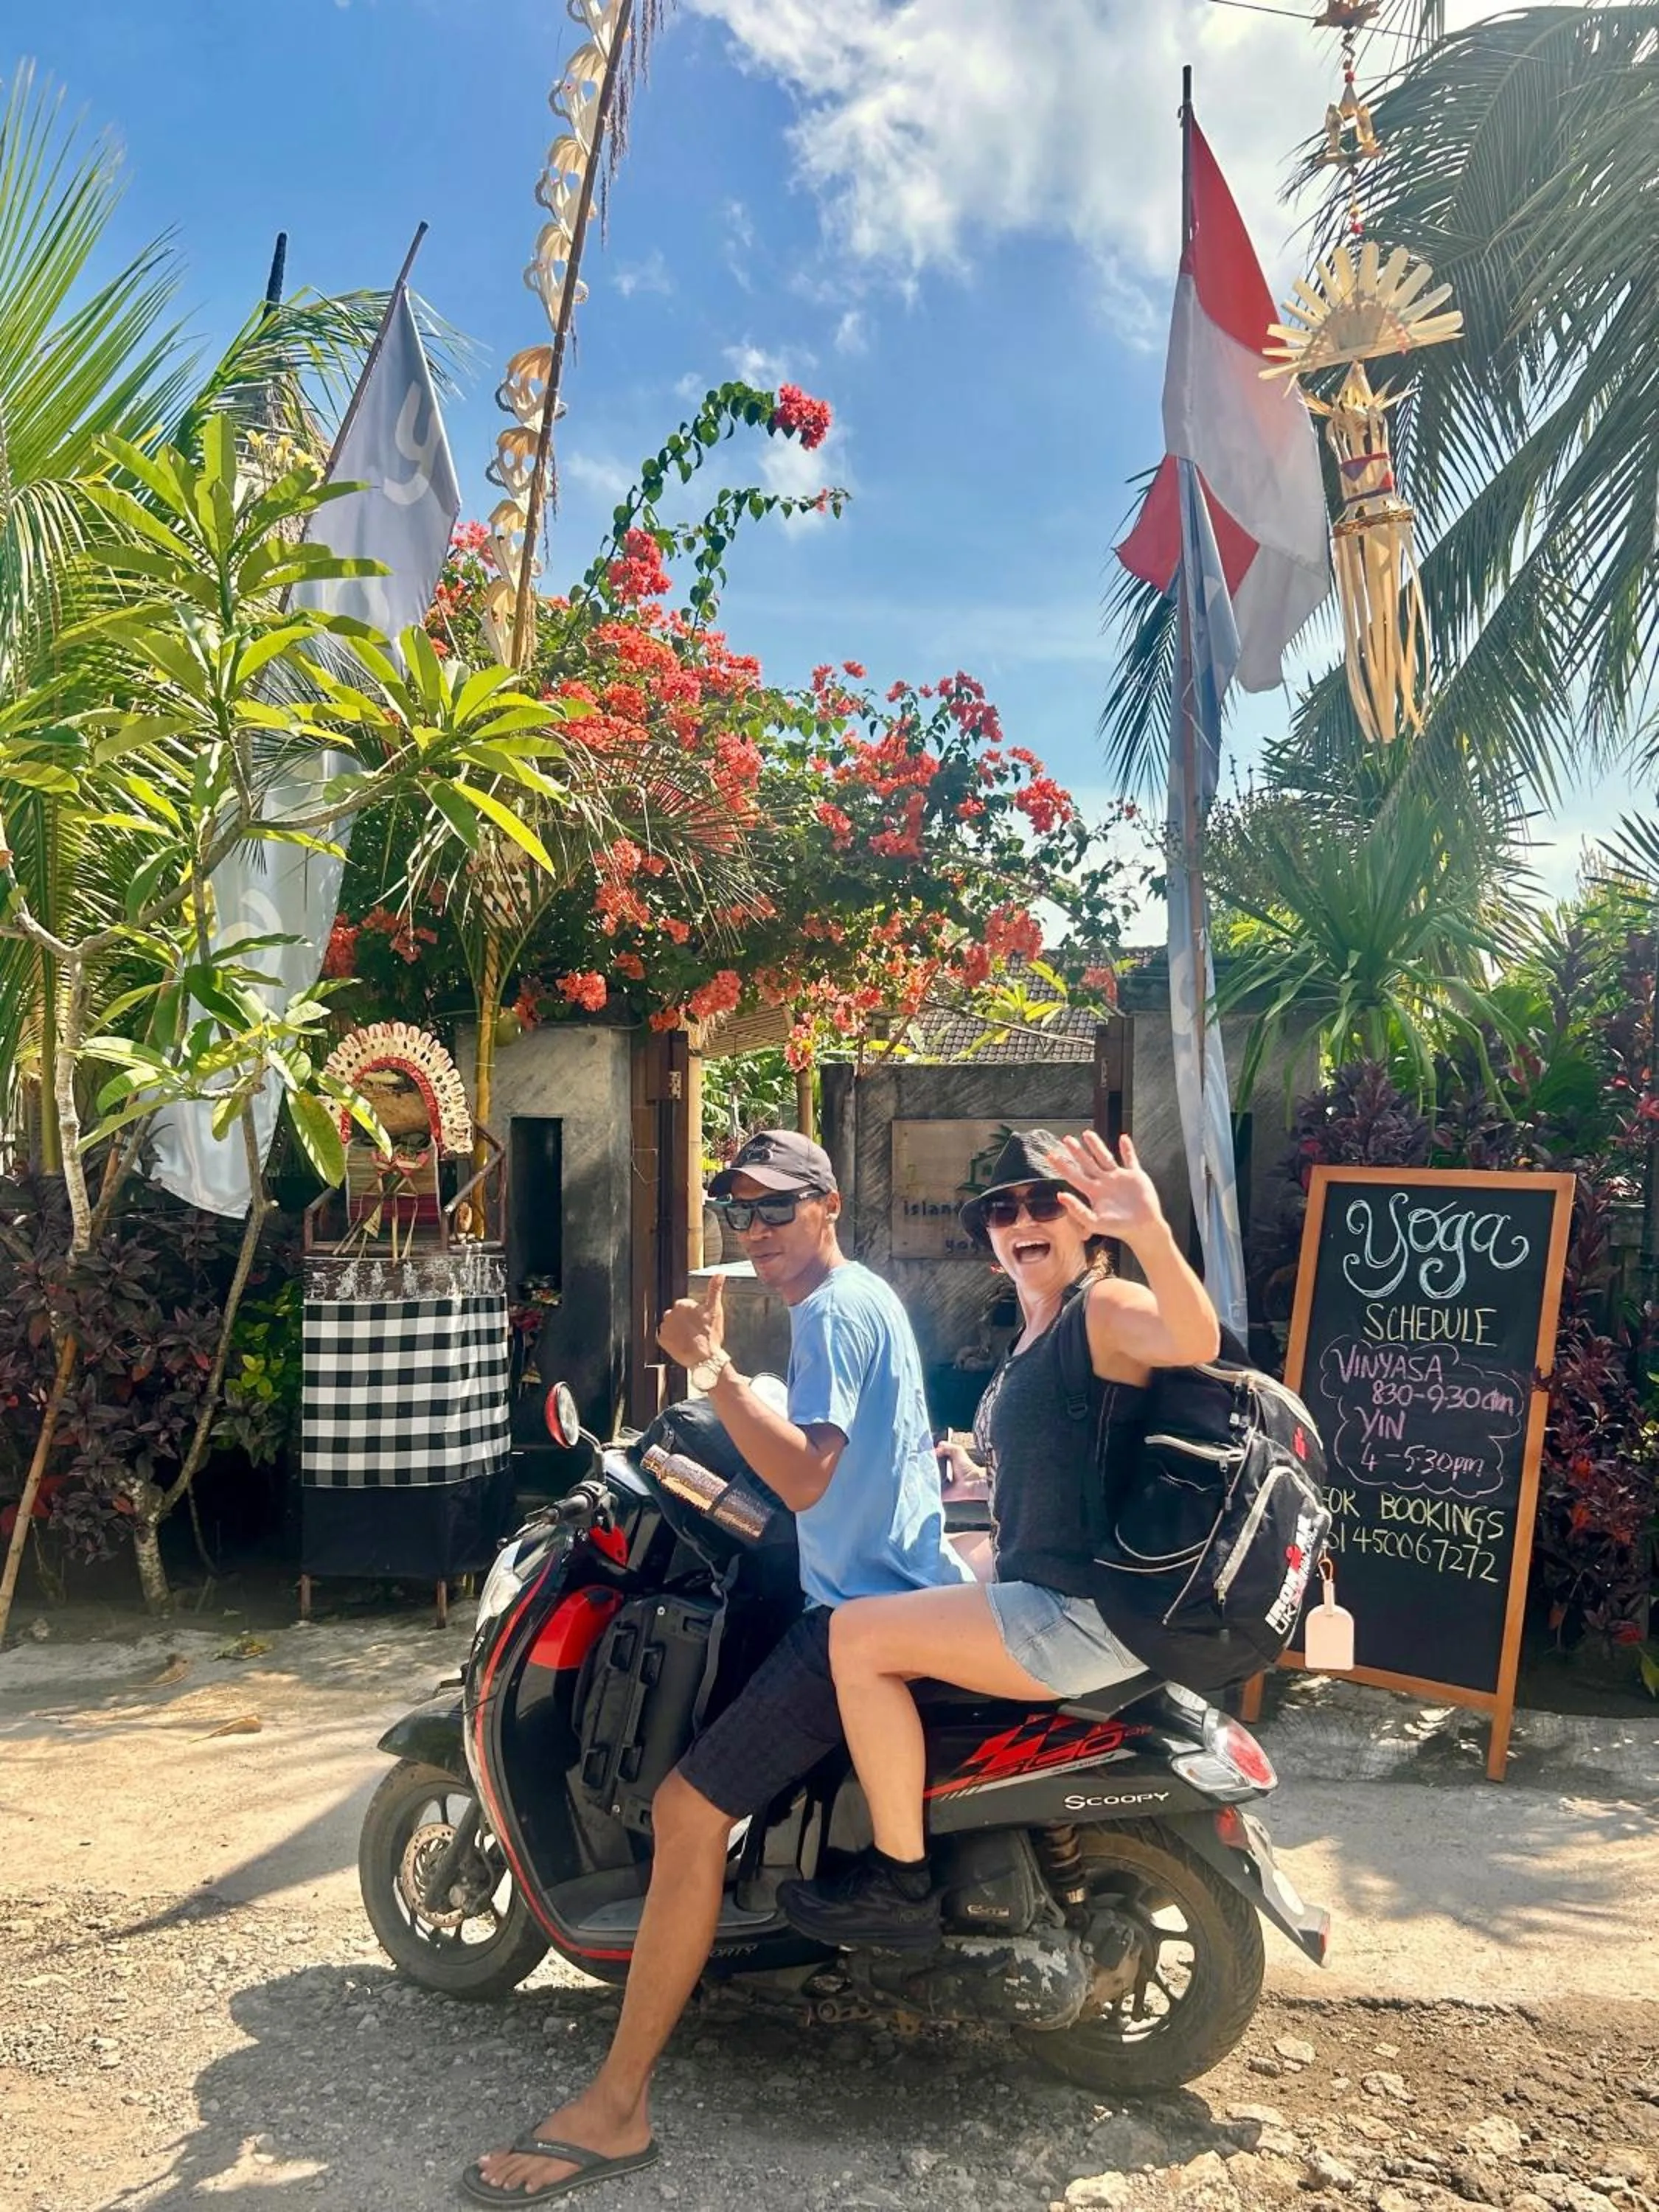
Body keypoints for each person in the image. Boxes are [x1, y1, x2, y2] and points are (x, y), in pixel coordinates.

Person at [465, 1129, 970, 2205]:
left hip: (857, 1615)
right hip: (901, 1581)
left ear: (827, 1206)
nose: (756, 1233)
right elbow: (826, 1447)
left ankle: (615, 2108)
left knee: (689, 1814)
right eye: (737, 1216)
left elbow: (802, 1478)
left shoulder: (829, 1309)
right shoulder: (864, 1297)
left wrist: (710, 1370)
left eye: (776, 1210)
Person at [777, 1127, 1220, 1952]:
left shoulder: (1105, 1307)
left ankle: (898, 1880)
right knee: (907, 1593)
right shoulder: (1034, 1336)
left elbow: (1197, 1340)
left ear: (1084, 1219)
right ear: (989, 1241)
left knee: (855, 1639)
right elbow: (1061, 1468)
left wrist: (1150, 1233)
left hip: (1075, 1612)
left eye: (1047, 1200)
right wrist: (973, 1477)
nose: (1024, 1217)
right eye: (1002, 1208)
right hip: (1050, 1589)